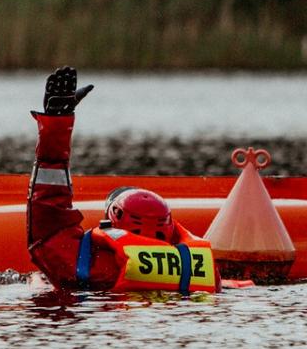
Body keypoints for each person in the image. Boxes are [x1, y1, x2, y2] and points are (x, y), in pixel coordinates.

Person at [26, 67, 219, 294]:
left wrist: (56, 123)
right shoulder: (204, 272)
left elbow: (47, 226)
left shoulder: (97, 266)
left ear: (114, 222)